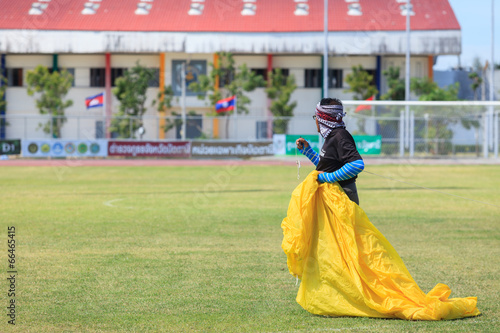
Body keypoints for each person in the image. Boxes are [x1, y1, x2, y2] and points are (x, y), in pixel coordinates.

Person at [296, 97, 364, 205]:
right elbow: (327, 166)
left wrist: (328, 177)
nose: (316, 121)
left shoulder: (340, 136)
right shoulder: (331, 135)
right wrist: (308, 151)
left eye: (316, 117)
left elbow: (357, 164)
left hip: (343, 194)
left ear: (322, 118)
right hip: (333, 194)